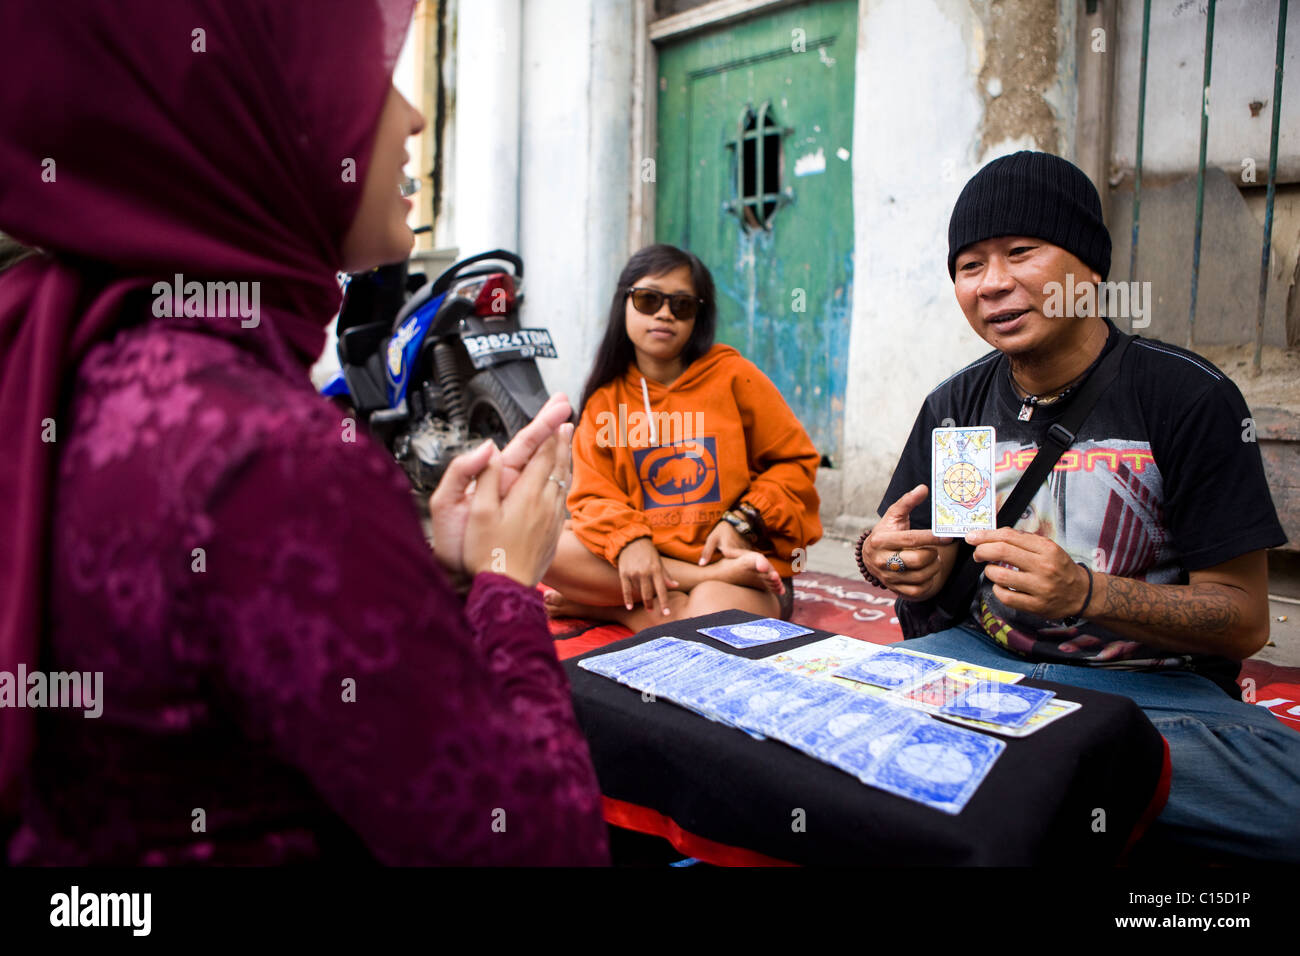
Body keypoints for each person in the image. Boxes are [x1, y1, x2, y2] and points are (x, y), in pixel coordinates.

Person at [0, 0, 608, 865]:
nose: (413, 117)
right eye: (367, 80)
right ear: (247, 117)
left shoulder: (74, 360)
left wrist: (416, 570)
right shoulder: (266, 457)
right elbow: (536, 844)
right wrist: (508, 587)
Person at [859, 150, 1300, 861]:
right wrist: (894, 561)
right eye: (969, 265)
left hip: (1151, 696)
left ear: (1090, 266)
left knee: (1289, 810)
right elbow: (929, 561)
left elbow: (1244, 620)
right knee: (823, 725)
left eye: (1021, 252)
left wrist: (1085, 592)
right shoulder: (959, 407)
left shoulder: (1185, 398)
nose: (994, 283)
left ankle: (1025, 780)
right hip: (983, 666)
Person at [543, 244, 822, 632]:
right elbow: (594, 495)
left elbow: (794, 463)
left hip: (746, 565)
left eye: (682, 305)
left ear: (697, 317)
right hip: (652, 558)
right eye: (648, 299)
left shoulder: (734, 376)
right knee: (546, 545)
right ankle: (680, 587)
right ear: (623, 302)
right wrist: (628, 541)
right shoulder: (605, 400)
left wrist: (741, 522)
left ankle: (617, 608)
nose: (664, 313)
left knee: (708, 629)